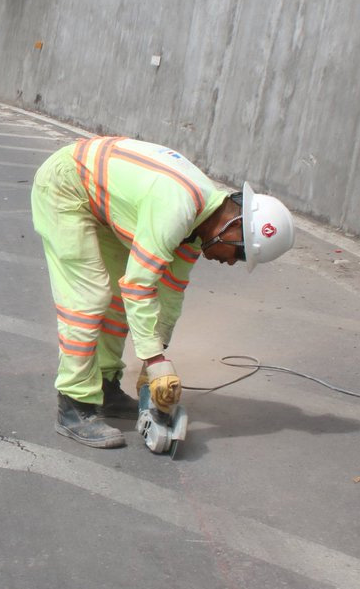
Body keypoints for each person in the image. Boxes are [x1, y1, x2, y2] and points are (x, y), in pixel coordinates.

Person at [31, 136, 294, 448]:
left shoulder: (197, 227)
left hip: (99, 200)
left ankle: (104, 385)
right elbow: (139, 286)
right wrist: (155, 360)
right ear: (234, 226)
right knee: (88, 299)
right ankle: (74, 405)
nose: (230, 262)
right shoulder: (177, 208)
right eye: (238, 254)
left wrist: (155, 363)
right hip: (66, 185)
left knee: (115, 302)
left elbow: (170, 292)